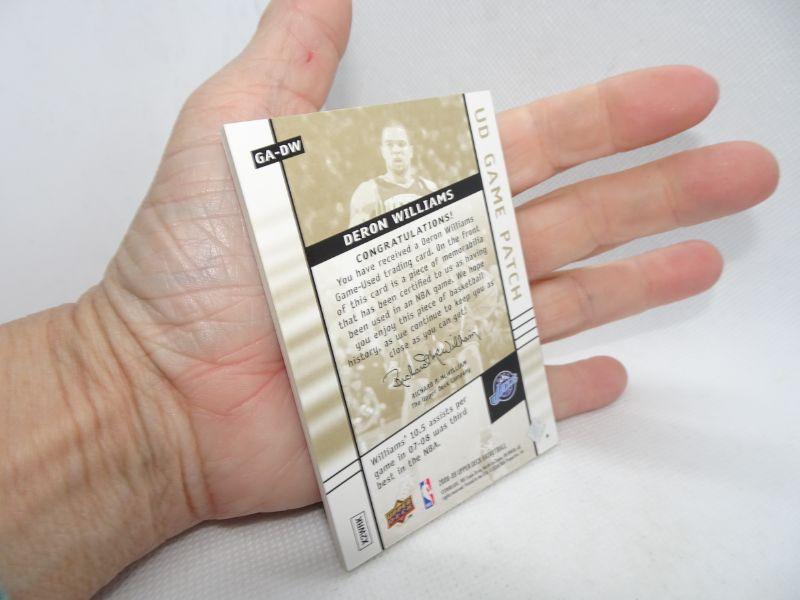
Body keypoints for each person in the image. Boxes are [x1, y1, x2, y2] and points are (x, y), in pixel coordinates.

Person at [0, 0, 779, 598]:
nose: (402, 153)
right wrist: (137, 387)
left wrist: (139, 413)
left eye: (408, 147)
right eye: (395, 147)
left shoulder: (428, 195)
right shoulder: (366, 194)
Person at [348, 122, 437, 226]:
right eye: (389, 145)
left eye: (401, 144)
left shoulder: (429, 188)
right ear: (382, 151)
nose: (396, 150)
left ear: (411, 151)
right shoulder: (367, 192)